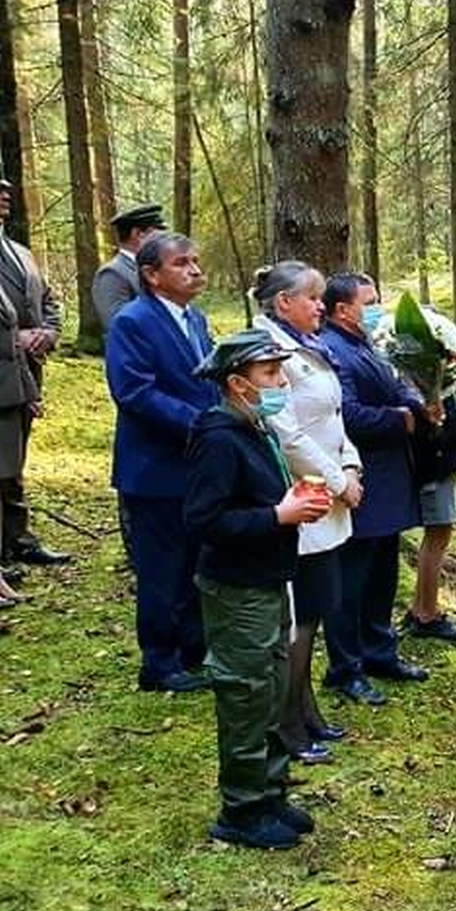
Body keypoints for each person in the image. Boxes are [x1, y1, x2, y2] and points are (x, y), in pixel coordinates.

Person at [185, 329, 330, 849]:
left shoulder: (256, 427)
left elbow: (257, 497)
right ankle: (242, 810)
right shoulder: (219, 438)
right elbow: (204, 521)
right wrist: (277, 515)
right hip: (237, 590)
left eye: (280, 372)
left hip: (268, 579)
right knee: (245, 694)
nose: (281, 382)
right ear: (237, 383)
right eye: (269, 374)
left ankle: (270, 792)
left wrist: (291, 501)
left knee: (270, 686)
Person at [251, 262, 362, 763]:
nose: (321, 305)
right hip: (303, 497)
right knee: (300, 618)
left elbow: (334, 417)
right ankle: (287, 724)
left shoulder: (308, 345)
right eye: (312, 297)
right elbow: (287, 433)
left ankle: (306, 709)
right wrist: (338, 481)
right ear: (283, 303)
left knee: (315, 610)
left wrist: (351, 465)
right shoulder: (266, 351)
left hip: (329, 492)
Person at [106, 232, 218, 692]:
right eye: (181, 263)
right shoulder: (132, 322)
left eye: (196, 260)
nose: (194, 270)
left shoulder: (196, 318)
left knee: (194, 562)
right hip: (154, 468)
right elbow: (134, 392)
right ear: (152, 275)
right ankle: (159, 663)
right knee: (161, 568)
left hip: (196, 465)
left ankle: (193, 649)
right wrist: (200, 423)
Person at [321, 274, 431, 704]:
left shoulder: (370, 342)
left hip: (390, 478)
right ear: (342, 309)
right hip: (360, 477)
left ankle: (380, 651)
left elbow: (398, 383)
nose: (377, 307)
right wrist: (399, 419)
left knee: (383, 572)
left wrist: (420, 403)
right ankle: (346, 667)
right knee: (352, 581)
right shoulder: (333, 350)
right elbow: (346, 414)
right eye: (369, 301)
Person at [0, 177, 67, 567]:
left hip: (26, 374)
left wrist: (49, 332)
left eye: (6, 189)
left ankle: (18, 539)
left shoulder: (22, 253)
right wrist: (16, 338)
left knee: (15, 459)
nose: (6, 193)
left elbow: (48, 300)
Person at [406, 379, 456, 642]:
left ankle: (420, 607)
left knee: (438, 536)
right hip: (433, 467)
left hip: (440, 465)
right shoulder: (418, 377)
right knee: (437, 536)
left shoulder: (429, 376)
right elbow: (433, 429)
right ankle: (426, 615)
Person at [94, 203, 165, 331]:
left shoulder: (156, 269)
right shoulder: (112, 273)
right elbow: (119, 326)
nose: (164, 240)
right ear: (138, 234)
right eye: (158, 234)